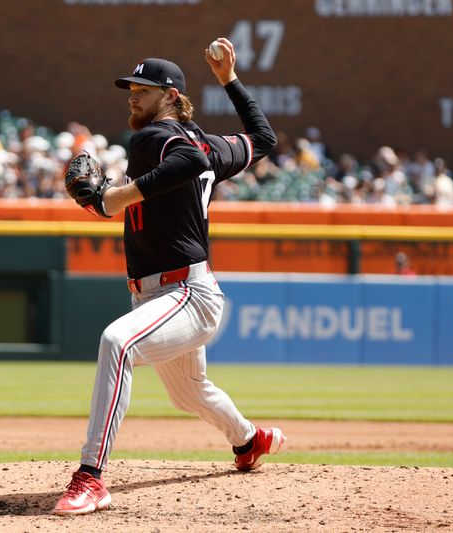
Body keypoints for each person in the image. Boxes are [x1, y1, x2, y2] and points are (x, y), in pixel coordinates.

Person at [53, 38, 283, 516]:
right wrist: (230, 81)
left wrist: (117, 196)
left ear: (172, 96)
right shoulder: (208, 144)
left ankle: (91, 477)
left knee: (117, 343)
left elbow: (189, 161)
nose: (133, 95)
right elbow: (263, 140)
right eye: (131, 88)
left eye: (145, 88)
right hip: (163, 294)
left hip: (187, 292)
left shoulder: (159, 138)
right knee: (188, 392)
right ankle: (249, 440)